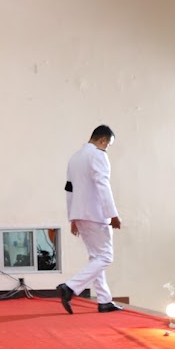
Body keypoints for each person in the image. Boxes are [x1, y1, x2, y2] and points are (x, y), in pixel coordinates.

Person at [56, 125, 124, 314]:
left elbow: (69, 189)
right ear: (103, 140)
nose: (107, 148)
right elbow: (103, 184)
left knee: (96, 257)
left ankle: (104, 300)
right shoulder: (98, 155)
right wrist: (112, 214)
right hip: (96, 214)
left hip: (79, 213)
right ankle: (70, 287)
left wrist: (72, 218)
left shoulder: (75, 158)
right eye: (108, 145)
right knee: (106, 256)